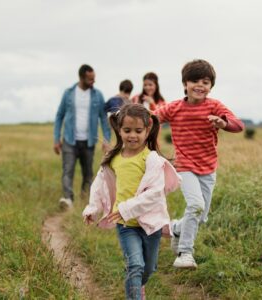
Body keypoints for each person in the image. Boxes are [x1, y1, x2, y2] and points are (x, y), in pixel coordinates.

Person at [82, 104, 180, 300]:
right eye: (127, 130)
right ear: (119, 130)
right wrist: (93, 208)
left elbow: (154, 193)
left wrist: (127, 208)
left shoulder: (151, 159)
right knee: (135, 265)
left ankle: (138, 286)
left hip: (150, 225)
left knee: (148, 268)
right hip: (125, 225)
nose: (132, 136)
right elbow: (99, 184)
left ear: (148, 129)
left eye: (138, 131)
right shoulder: (114, 159)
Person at [154, 59, 245, 269]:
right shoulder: (175, 108)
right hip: (185, 165)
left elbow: (238, 124)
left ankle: (175, 228)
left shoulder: (215, 106)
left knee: (201, 217)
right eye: (194, 81)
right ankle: (185, 253)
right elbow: (151, 118)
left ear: (210, 86)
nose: (200, 86)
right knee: (195, 206)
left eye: (205, 82)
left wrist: (223, 123)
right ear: (185, 83)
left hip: (208, 167)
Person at [54, 64, 111, 209]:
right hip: (69, 140)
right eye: (90, 79)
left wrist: (106, 139)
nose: (93, 82)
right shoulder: (69, 93)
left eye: (94, 79)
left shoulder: (98, 95)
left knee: (88, 173)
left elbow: (103, 118)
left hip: (89, 141)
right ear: (81, 78)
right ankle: (68, 200)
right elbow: (59, 115)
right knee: (68, 170)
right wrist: (56, 139)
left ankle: (85, 201)